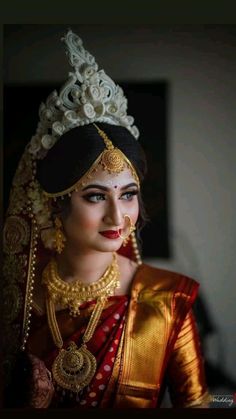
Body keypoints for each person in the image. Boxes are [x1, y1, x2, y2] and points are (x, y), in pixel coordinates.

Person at [3, 29, 211, 409]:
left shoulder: (167, 299)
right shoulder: (16, 303)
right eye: (96, 196)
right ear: (55, 205)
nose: (118, 215)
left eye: (128, 194)